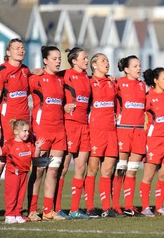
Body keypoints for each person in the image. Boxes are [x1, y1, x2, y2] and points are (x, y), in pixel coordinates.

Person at [0, 38, 31, 224]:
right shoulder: (1, 71)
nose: (21, 50)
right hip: (5, 128)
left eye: (22, 48)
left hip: (23, 129)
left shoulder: (26, 71)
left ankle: (16, 212)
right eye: (16, 48)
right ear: (8, 52)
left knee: (22, 168)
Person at [27, 46, 67, 221]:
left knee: (53, 171)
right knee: (39, 171)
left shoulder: (61, 79)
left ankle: (48, 210)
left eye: (59, 58)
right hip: (42, 131)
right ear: (45, 60)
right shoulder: (35, 78)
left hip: (59, 132)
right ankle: (32, 210)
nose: (58, 61)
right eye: (54, 58)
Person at [84, 53, 121, 218]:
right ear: (93, 65)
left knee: (107, 170)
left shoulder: (113, 82)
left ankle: (107, 208)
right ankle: (90, 207)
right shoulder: (89, 82)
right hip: (96, 132)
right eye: (102, 60)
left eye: (107, 60)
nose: (107, 63)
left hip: (111, 131)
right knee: (92, 169)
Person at [58, 47, 91, 219]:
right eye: (84, 58)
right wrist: (63, 107)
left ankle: (74, 209)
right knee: (63, 168)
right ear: (74, 61)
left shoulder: (87, 77)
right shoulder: (64, 74)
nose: (87, 60)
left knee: (81, 168)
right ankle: (56, 208)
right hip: (69, 125)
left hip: (84, 126)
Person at [112, 55, 146, 217]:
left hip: (139, 130)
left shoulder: (142, 85)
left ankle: (129, 205)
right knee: (120, 168)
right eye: (135, 66)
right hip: (123, 130)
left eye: (139, 66)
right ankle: (115, 205)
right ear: (126, 69)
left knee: (132, 170)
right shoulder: (118, 83)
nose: (138, 68)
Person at [139, 67, 164, 217]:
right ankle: (145, 207)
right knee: (148, 176)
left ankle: (159, 207)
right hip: (153, 140)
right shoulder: (147, 97)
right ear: (155, 80)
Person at [0, 119, 43, 224]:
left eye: (28, 131)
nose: (27, 133)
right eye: (24, 131)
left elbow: (36, 155)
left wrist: (38, 147)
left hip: (24, 174)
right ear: (16, 131)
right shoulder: (10, 144)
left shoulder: (29, 144)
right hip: (13, 174)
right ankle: (9, 215)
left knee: (21, 195)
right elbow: (1, 152)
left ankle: (17, 213)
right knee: (12, 195)